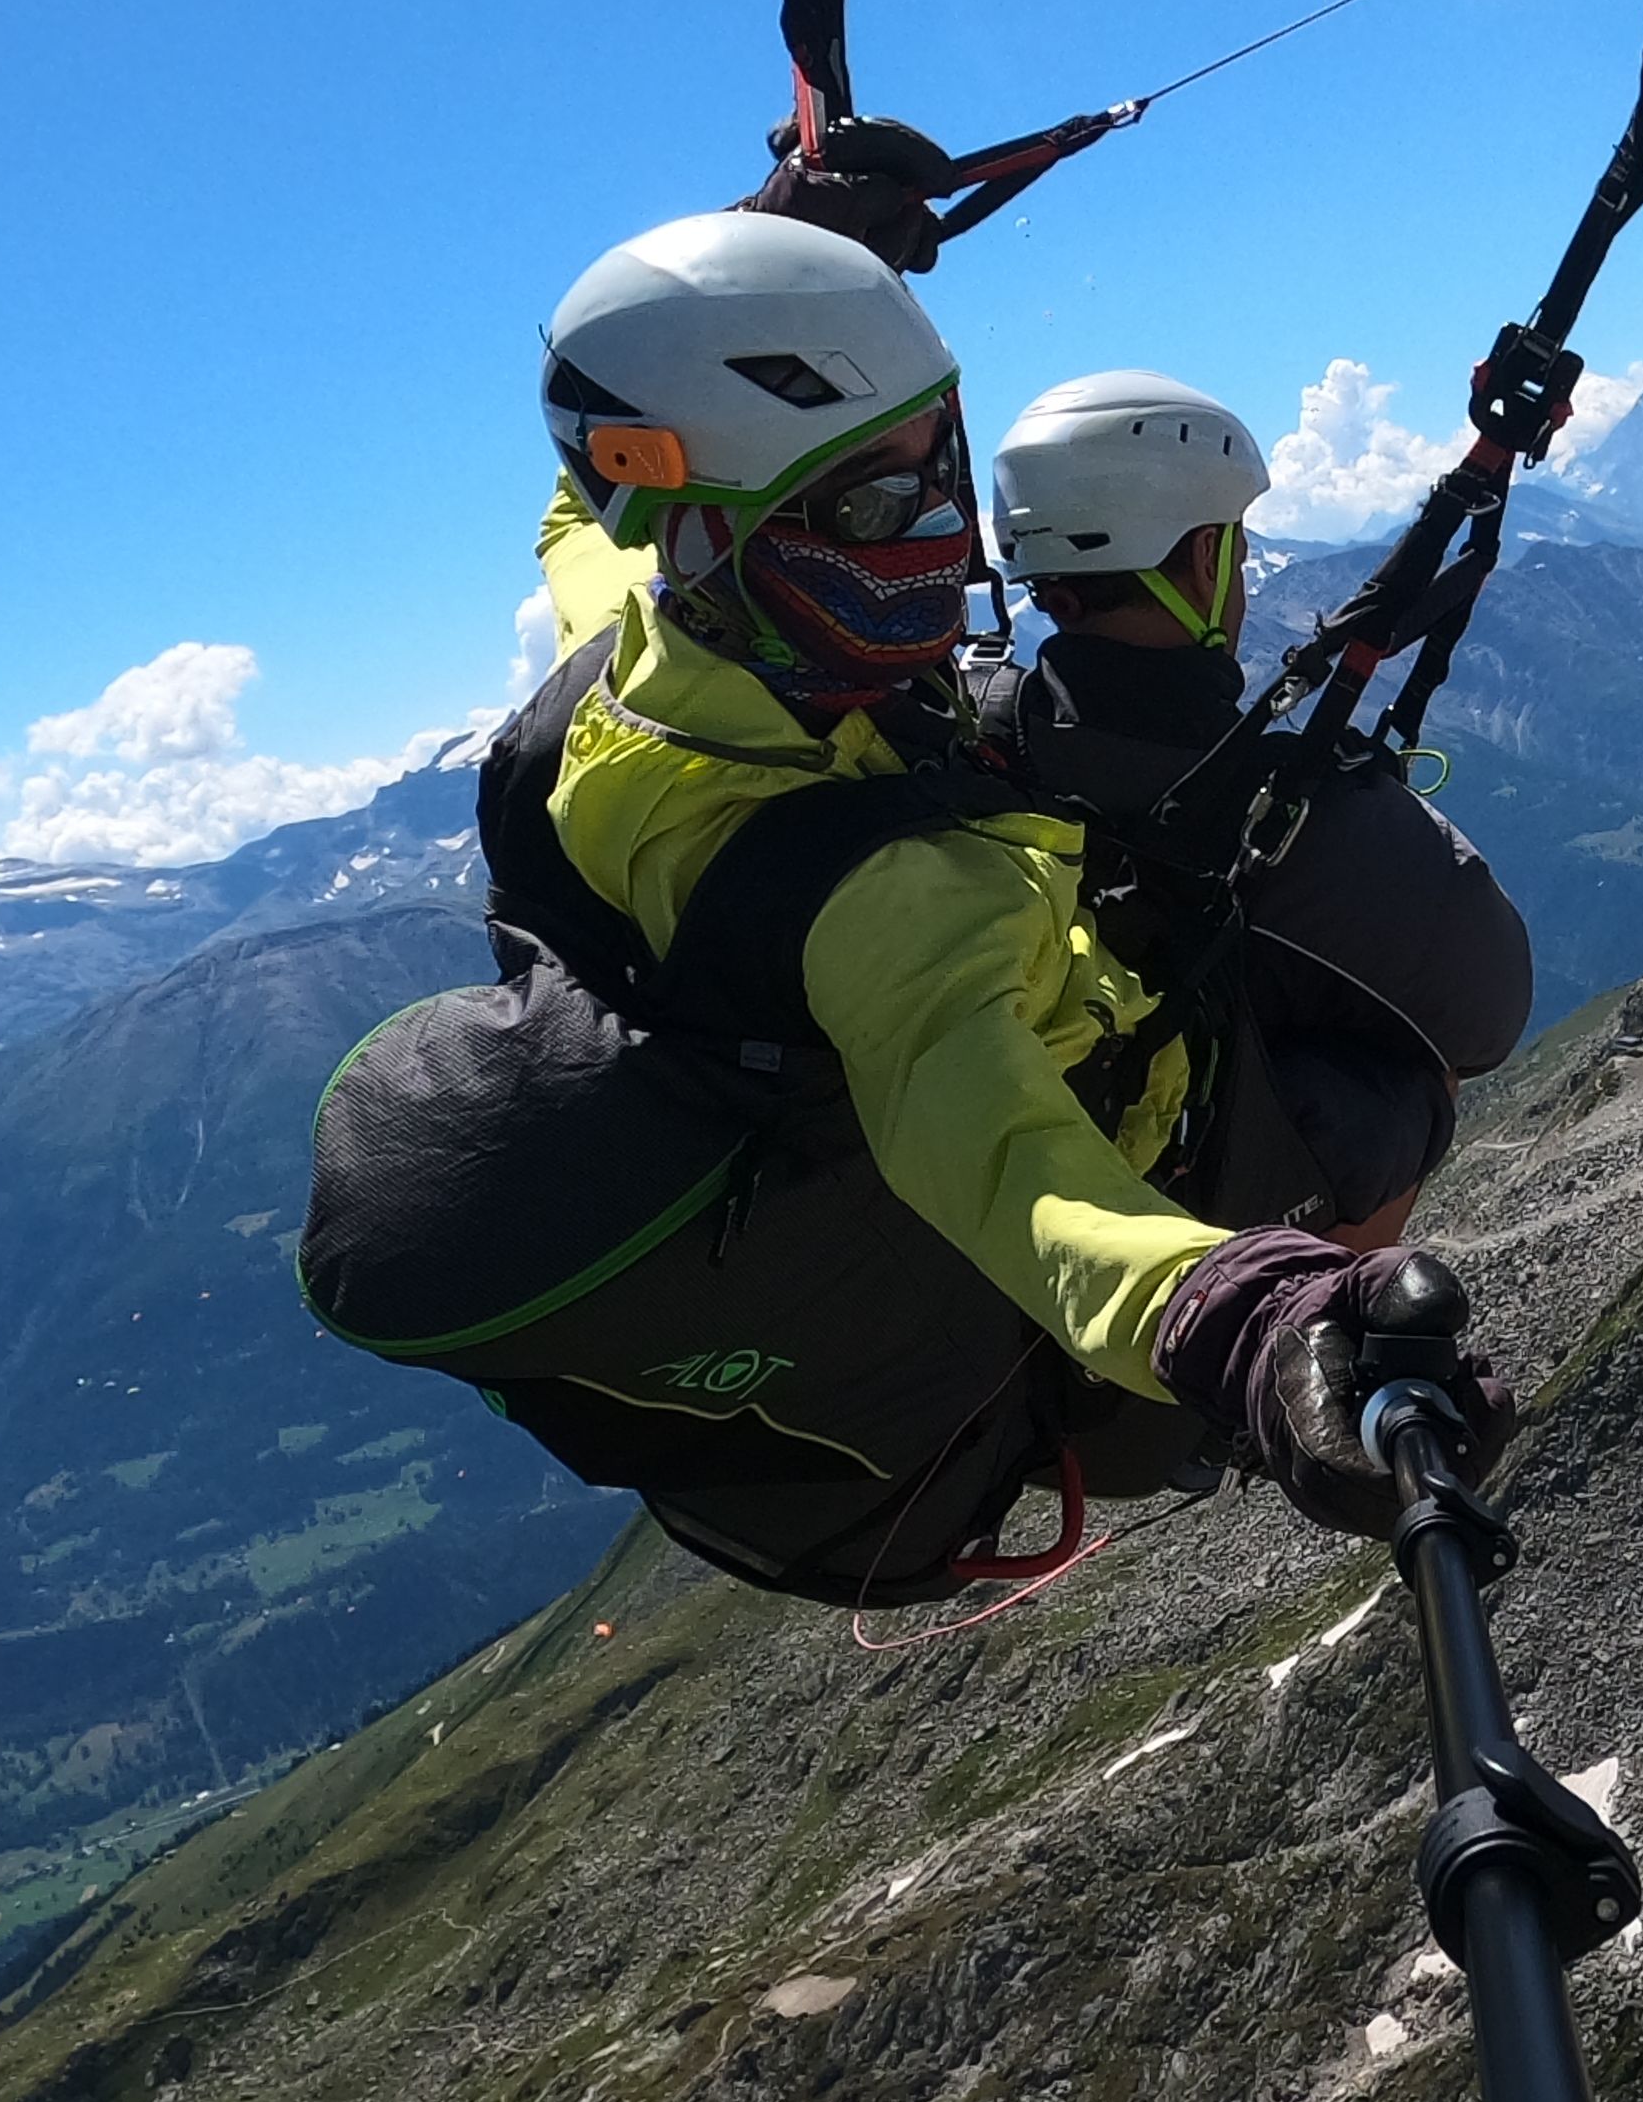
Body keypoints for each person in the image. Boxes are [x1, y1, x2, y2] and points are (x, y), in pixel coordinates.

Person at [297, 212, 1515, 1607]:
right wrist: (1237, 1316)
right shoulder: (883, 901)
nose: (939, 537)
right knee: (1393, 1097)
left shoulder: (635, 635)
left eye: (936, 469)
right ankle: (1296, 1351)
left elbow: (584, 512)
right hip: (1076, 1268)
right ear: (710, 532)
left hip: (834, 1025)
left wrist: (782, 226)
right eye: (873, 511)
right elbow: (1013, 1168)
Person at [973, 368, 1533, 1250]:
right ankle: (1304, 1326)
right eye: (1232, 543)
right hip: (1165, 1204)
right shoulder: (1286, 817)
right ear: (1204, 559)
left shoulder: (978, 734)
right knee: (1409, 1086)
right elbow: (1493, 1005)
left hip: (998, 1174)